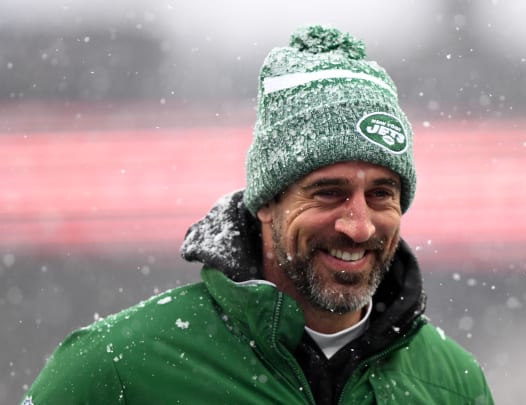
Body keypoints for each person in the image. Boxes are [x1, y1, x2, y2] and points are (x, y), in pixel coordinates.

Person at [22, 25, 494, 404]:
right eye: (328, 193)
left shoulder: (452, 384)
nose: (359, 225)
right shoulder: (118, 367)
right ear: (266, 201)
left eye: (381, 194)